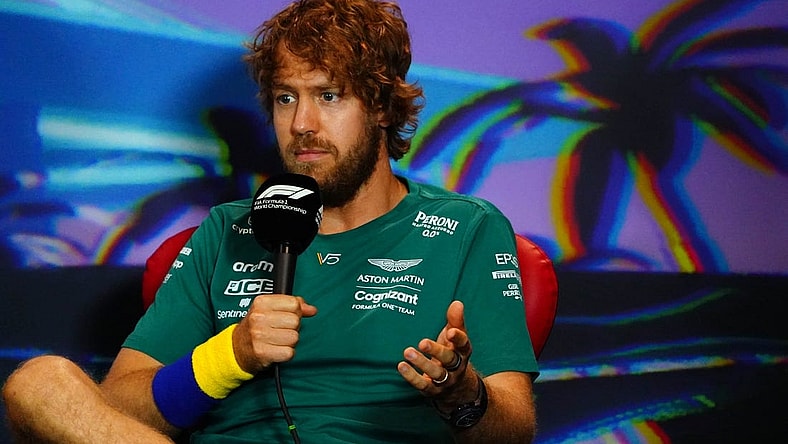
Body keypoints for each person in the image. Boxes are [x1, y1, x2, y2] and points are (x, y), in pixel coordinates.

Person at [2, 0, 539, 442]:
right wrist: (230, 354)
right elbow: (119, 408)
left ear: (381, 108)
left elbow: (514, 431)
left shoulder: (467, 227)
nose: (302, 124)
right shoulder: (227, 230)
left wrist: (461, 393)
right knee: (40, 382)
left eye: (328, 96)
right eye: (286, 98)